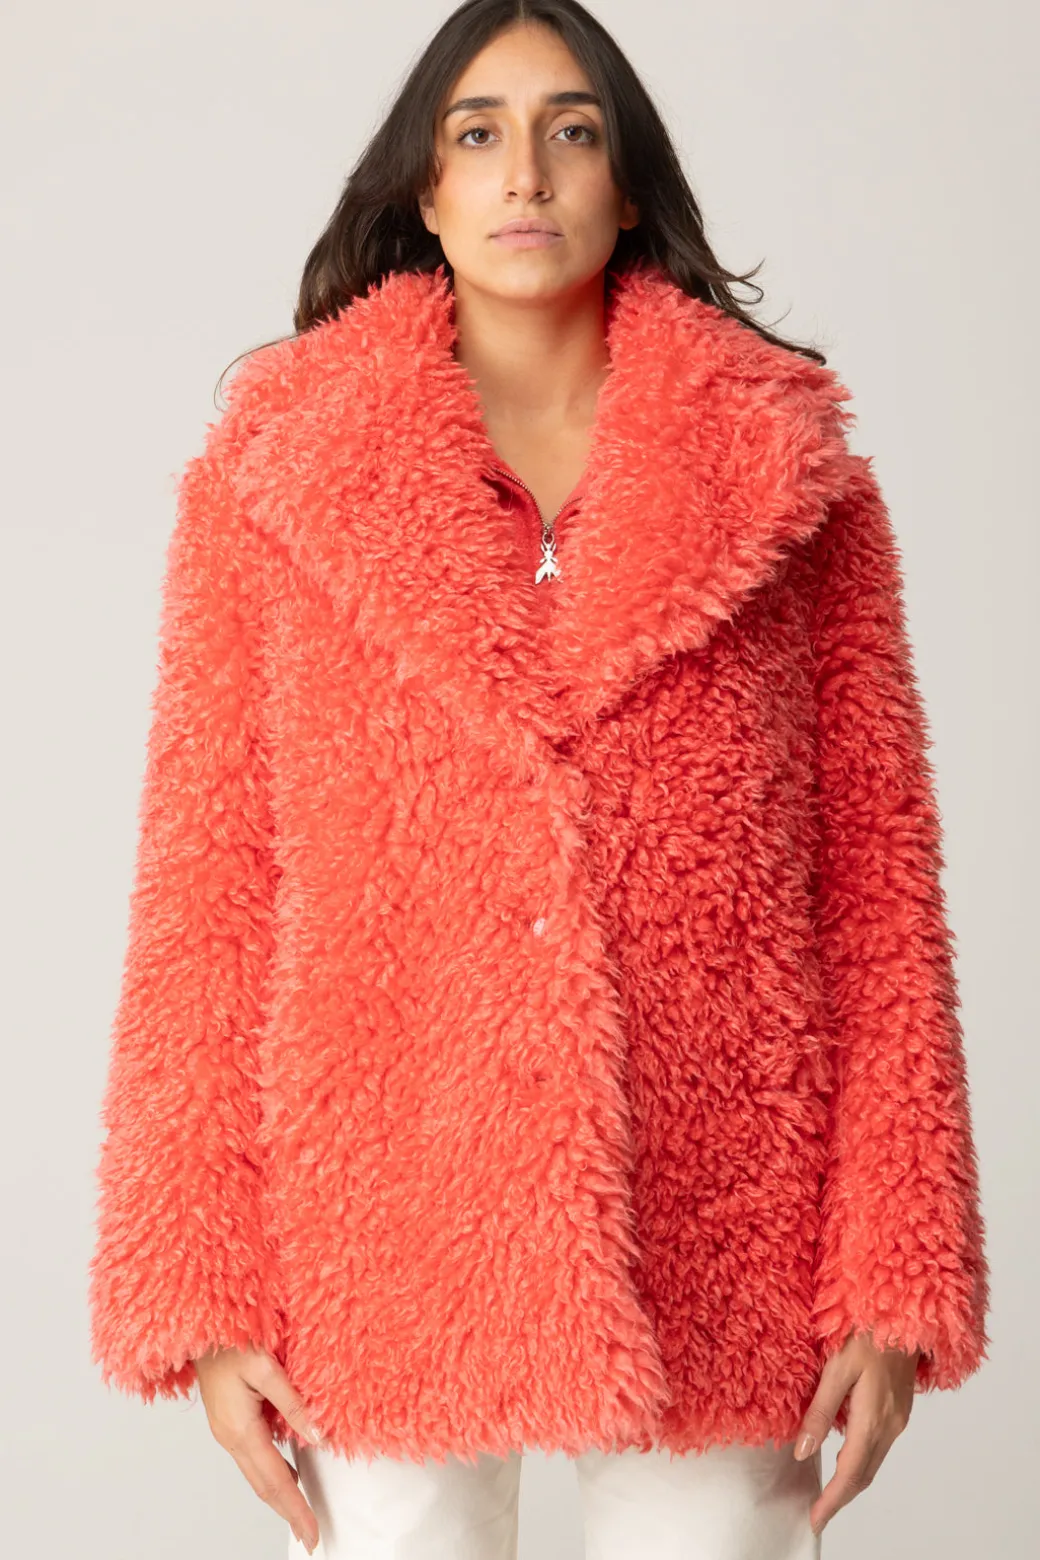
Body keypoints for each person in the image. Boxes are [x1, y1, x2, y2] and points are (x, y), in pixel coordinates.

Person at [87, 2, 990, 1557]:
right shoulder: (275, 482)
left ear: (626, 187)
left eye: (572, 131)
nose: (526, 172)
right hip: (382, 1210)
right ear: (425, 191)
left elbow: (880, 891)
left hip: (727, 1213)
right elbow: (207, 891)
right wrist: (202, 1289)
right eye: (478, 134)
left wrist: (896, 1270)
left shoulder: (794, 483)